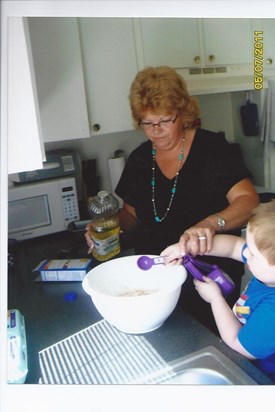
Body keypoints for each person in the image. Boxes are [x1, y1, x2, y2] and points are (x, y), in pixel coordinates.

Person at [85, 66, 259, 330]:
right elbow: (130, 215)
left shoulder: (212, 149)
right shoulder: (140, 159)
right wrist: (106, 229)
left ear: (183, 114)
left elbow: (248, 200)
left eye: (165, 120)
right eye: (147, 123)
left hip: (207, 281)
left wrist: (211, 224)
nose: (156, 131)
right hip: (155, 281)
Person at [161, 201, 275, 382]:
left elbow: (239, 345)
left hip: (258, 377)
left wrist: (215, 299)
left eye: (253, 253)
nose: (247, 254)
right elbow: (235, 246)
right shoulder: (268, 276)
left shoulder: (272, 312)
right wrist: (187, 249)